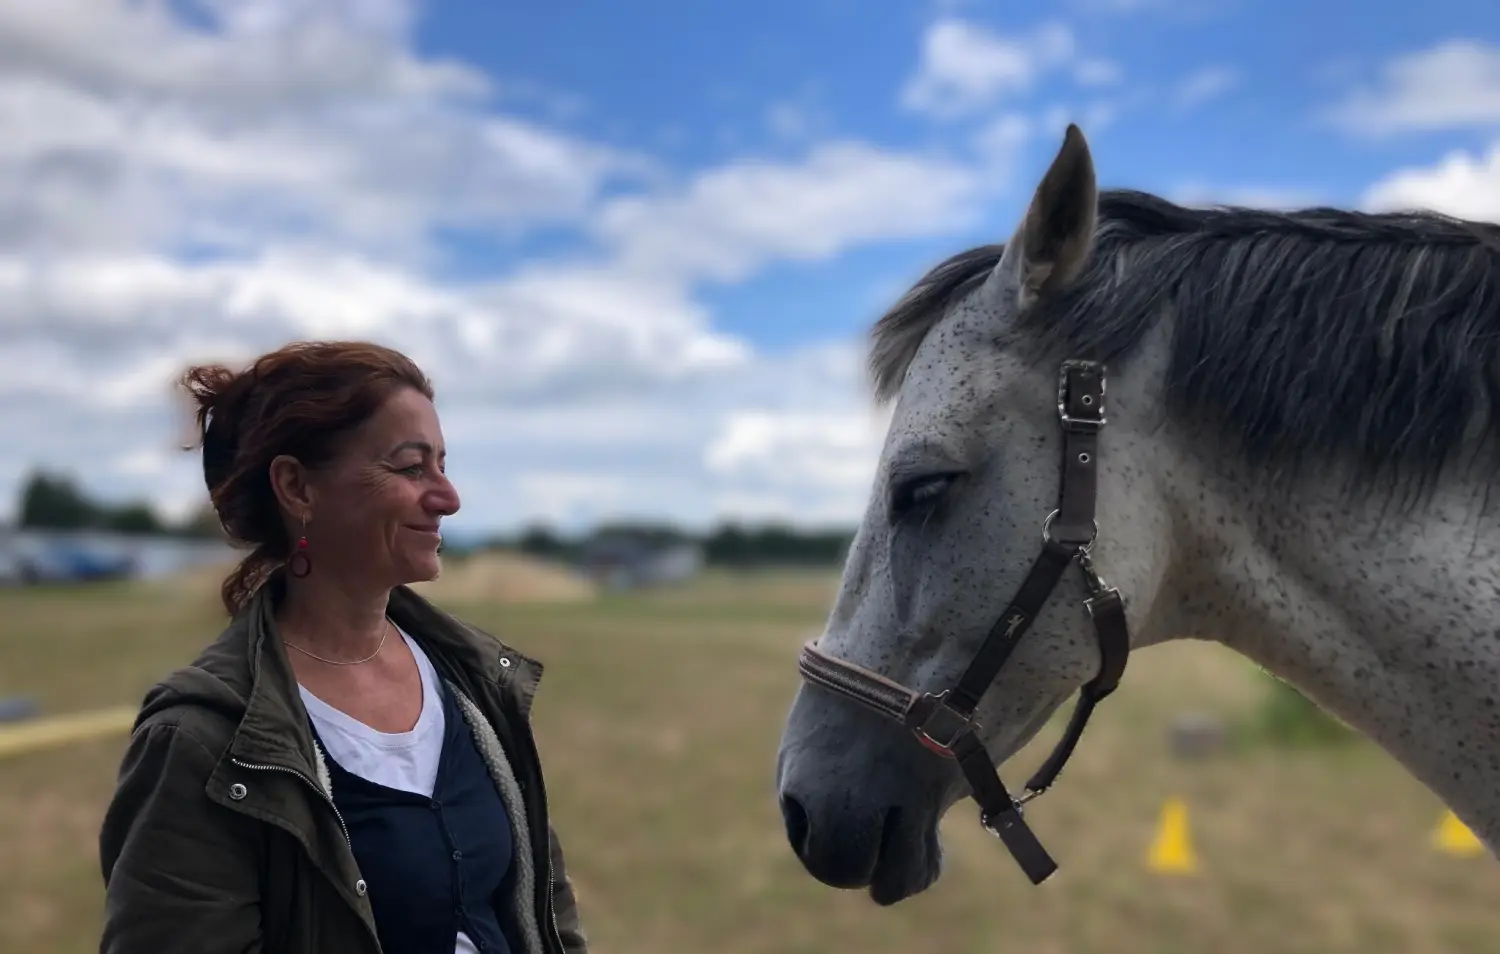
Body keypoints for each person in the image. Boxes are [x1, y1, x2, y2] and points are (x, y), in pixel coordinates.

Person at [96, 339, 589, 954]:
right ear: (297, 487)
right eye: (411, 468)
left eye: (442, 464)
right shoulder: (201, 740)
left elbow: (546, 906)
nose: (448, 497)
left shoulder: (474, 682)